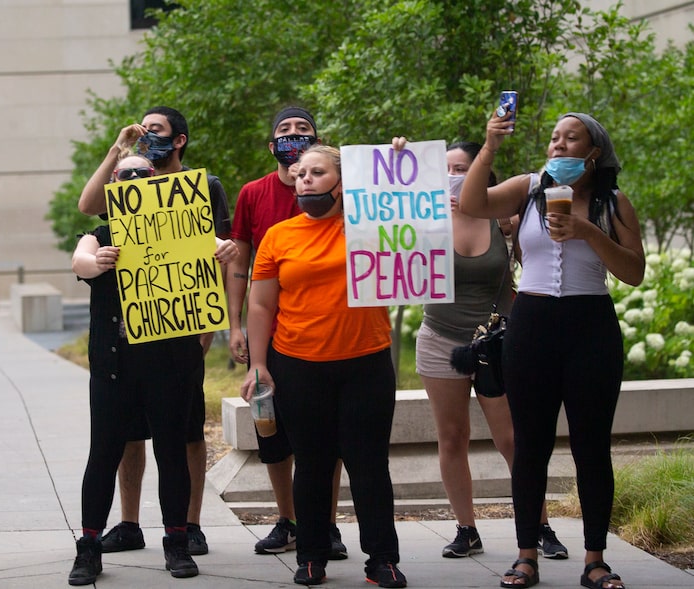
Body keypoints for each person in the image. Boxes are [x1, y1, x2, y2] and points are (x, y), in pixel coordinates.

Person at [459, 110, 644, 589]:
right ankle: (526, 555)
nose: (558, 145)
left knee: (591, 447)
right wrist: (490, 145)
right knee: (530, 447)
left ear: (594, 152)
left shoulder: (613, 203)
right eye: (553, 138)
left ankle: (595, 560)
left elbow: (634, 271)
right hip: (533, 325)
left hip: (591, 327)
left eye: (571, 138)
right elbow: (473, 201)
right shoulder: (528, 188)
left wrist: (588, 232)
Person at [69, 145, 237, 584]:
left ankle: (177, 543)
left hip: (170, 365)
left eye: (144, 175)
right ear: (113, 190)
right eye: (125, 178)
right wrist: (95, 263)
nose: (135, 183)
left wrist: (224, 250)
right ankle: (88, 547)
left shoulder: (184, 230)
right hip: (114, 366)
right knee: (103, 454)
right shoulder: (101, 235)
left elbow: (220, 246)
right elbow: (80, 259)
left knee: (171, 453)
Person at [241, 145, 406, 588]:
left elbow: (416, 217)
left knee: (369, 464)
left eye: (317, 172)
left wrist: (396, 164)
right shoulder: (279, 236)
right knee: (312, 465)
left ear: (342, 181)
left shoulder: (372, 225)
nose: (306, 180)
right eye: (301, 174)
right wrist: (258, 365)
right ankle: (311, 556)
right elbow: (259, 307)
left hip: (367, 365)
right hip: (298, 366)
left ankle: (383, 560)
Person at [394, 139, 567, 560]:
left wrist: (515, 229)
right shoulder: (423, 220)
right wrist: (399, 160)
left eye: (462, 169)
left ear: (481, 176)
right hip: (439, 340)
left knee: (512, 438)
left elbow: (541, 263)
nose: (453, 177)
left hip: (498, 339)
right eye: (446, 169)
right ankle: (466, 528)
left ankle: (539, 524)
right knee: (451, 436)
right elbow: (385, 230)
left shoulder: (505, 218)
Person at [228, 106, 347, 559]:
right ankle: (289, 519)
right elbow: (240, 261)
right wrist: (235, 325)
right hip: (269, 336)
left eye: (303, 129)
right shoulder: (253, 193)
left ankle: (327, 526)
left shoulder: (339, 195)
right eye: (284, 129)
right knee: (271, 431)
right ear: (271, 144)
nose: (293, 136)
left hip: (324, 334)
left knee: (324, 439)